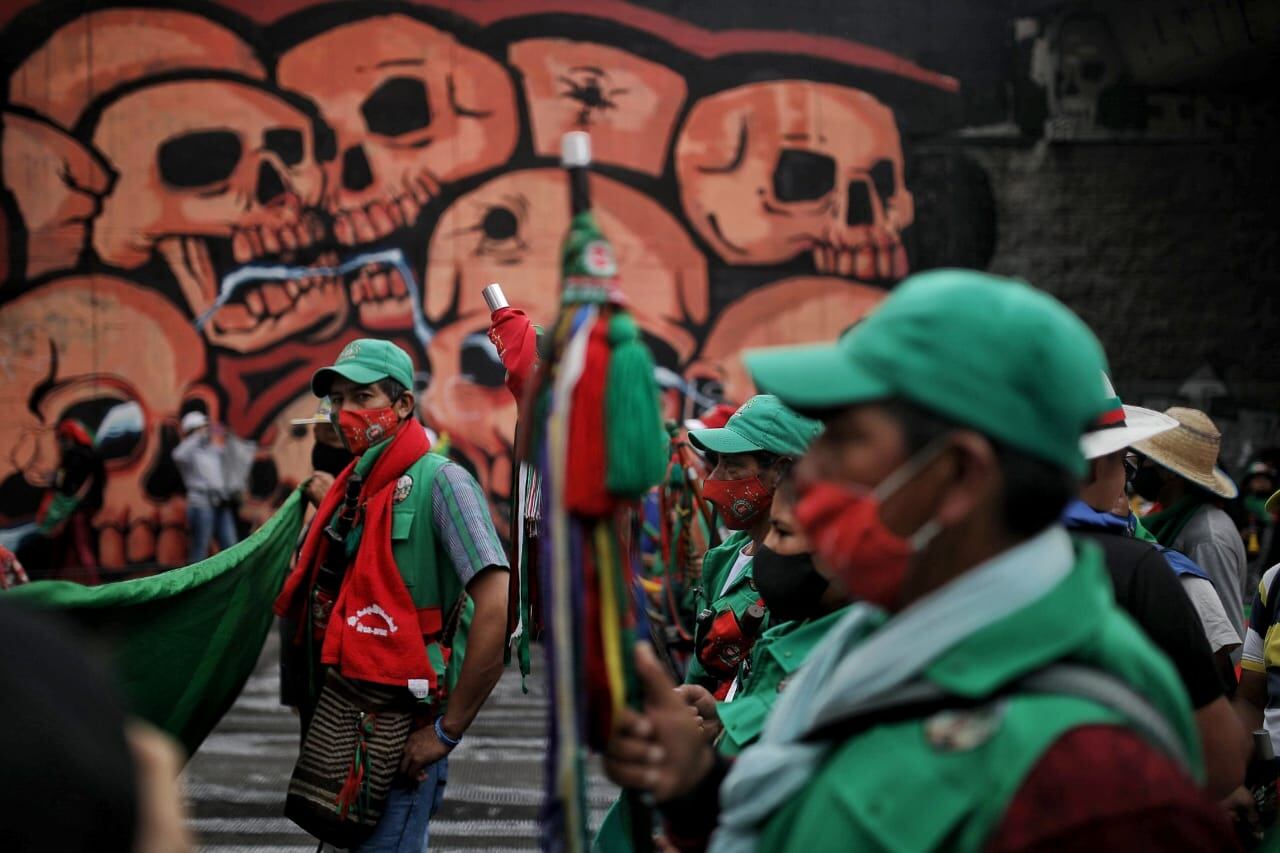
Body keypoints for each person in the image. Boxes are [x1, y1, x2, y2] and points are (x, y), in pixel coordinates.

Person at [604, 270, 1234, 851]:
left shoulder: (1095, 793)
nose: (807, 476)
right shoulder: (882, 643)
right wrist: (695, 789)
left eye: (846, 440)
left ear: (957, 475)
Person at [274, 338, 509, 853]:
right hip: (343, 722)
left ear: (403, 404)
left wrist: (446, 732)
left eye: (362, 397)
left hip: (404, 732)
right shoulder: (353, 487)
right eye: (338, 399)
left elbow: (498, 604)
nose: (345, 412)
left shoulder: (443, 483)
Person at [1066, 378, 1248, 797]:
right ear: (1096, 466)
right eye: (1127, 464)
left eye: (1138, 466)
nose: (1131, 480)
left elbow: (1221, 645)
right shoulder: (1144, 568)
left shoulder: (1205, 536)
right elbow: (1221, 761)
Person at [682, 395, 821, 696]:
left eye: (732, 467)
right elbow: (699, 672)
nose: (714, 480)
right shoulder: (724, 557)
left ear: (781, 472)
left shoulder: (805, 577)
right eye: (717, 462)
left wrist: (724, 716)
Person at [1132, 407, 1248, 651]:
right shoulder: (1164, 519)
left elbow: (1225, 637)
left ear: (1169, 473)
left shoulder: (1208, 537)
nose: (1139, 468)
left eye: (1146, 460)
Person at [171, 411, 254, 563]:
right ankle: (195, 578)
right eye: (201, 428)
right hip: (201, 505)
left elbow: (235, 456)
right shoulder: (188, 452)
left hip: (221, 502)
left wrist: (226, 433)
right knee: (200, 549)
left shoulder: (212, 450)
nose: (206, 431)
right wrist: (197, 435)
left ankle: (232, 577)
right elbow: (178, 455)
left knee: (230, 546)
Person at [34, 418, 105, 582]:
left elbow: (66, 484)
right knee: (63, 546)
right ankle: (52, 579)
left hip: (73, 507)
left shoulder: (73, 456)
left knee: (80, 545)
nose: (62, 442)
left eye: (64, 438)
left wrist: (55, 479)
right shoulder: (92, 455)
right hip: (83, 506)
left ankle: (95, 582)